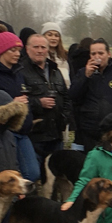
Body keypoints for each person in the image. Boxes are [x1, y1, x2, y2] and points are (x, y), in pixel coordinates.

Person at [0, 30, 40, 182]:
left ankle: (19, 201)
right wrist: (11, 104)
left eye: (19, 50)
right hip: (2, 133)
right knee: (11, 175)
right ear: (2, 51)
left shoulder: (18, 73)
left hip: (23, 131)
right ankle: (13, 202)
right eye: (13, 50)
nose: (17, 54)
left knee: (32, 172)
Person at [18, 32, 70, 167]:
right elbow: (16, 101)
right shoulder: (20, 71)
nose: (40, 51)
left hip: (56, 133)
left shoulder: (55, 70)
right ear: (27, 48)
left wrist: (64, 118)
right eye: (36, 47)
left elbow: (65, 96)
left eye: (43, 47)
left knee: (57, 176)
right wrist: (38, 103)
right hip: (34, 135)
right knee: (34, 175)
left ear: (48, 49)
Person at [40, 23, 71, 87]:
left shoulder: (65, 56)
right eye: (50, 35)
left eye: (56, 35)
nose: (53, 38)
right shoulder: (40, 56)